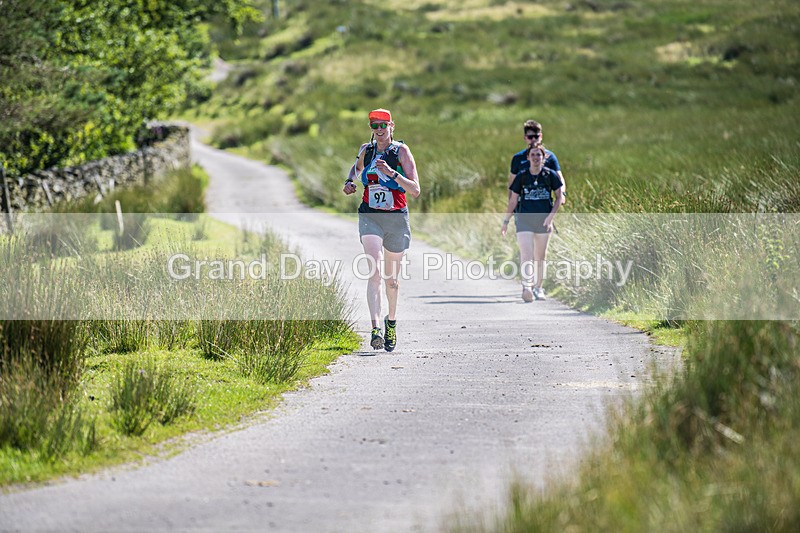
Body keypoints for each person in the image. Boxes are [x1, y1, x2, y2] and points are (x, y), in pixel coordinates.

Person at [343, 108, 421, 352]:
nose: (379, 129)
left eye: (383, 125)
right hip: (370, 216)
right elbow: (355, 169)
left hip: (396, 218)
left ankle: (391, 322)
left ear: (391, 126)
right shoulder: (366, 150)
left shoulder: (401, 152)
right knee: (375, 272)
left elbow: (415, 189)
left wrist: (391, 173)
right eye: (374, 125)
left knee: (392, 280)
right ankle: (375, 328)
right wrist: (349, 182)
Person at [501, 144, 564, 302]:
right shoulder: (521, 176)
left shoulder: (550, 175)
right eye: (533, 155)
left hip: (544, 221)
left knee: (540, 256)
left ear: (544, 158)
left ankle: (538, 288)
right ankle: (527, 287)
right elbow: (513, 201)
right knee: (526, 254)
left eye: (539, 155)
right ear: (528, 157)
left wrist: (550, 218)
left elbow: (559, 198)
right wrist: (506, 221)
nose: (536, 158)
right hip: (524, 220)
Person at [508, 119, 566, 201]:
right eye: (530, 137)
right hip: (524, 203)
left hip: (544, 202)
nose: (533, 139)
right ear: (525, 138)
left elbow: (560, 178)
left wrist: (562, 195)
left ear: (541, 136)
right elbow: (512, 182)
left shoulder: (550, 157)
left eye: (536, 136)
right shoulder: (518, 158)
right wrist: (511, 202)